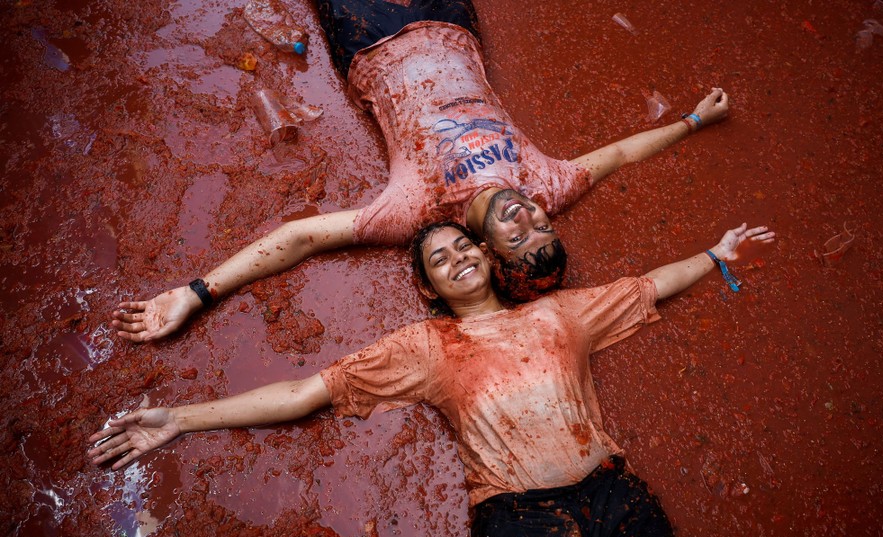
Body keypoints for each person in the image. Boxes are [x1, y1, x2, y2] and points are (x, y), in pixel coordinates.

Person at [90, 220, 775, 537]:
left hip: (616, 497)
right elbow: (303, 393)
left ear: (487, 256)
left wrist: (715, 255)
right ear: (429, 288)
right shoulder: (423, 346)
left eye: (463, 247)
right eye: (439, 260)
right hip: (518, 523)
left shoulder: (561, 313)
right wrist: (180, 418)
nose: (457, 259)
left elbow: (649, 285)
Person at [111, 0, 731, 343]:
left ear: (487, 252)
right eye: (542, 226)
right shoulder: (545, 184)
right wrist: (693, 122)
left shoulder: (419, 210)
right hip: (452, 22)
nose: (527, 216)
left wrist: (195, 293)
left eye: (517, 236)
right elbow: (620, 155)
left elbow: (299, 239)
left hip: (369, 35)